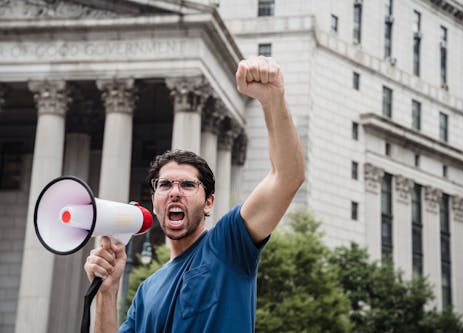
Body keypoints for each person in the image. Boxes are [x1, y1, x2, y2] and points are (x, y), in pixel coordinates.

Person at [84, 56, 305, 332]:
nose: (175, 192)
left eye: (188, 185)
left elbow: (287, 177)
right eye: (164, 185)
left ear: (209, 202)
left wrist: (273, 99)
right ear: (154, 202)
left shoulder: (228, 246)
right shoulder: (145, 292)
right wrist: (107, 291)